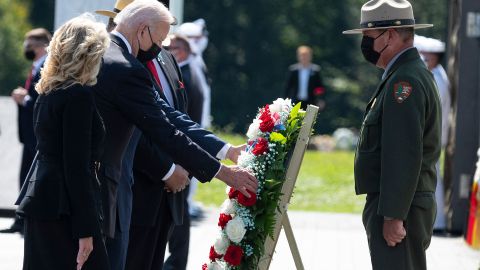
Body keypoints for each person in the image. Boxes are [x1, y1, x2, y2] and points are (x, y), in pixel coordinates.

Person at [91, 1, 257, 269]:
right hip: (121, 183)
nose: (161, 47)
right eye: (158, 39)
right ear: (143, 30)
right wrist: (224, 173)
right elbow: (161, 129)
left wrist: (225, 151)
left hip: (131, 190)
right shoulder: (123, 65)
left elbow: (171, 115)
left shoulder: (143, 58)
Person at [343, 0, 440, 269]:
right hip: (399, 203)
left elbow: (403, 152)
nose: (365, 44)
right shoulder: (404, 73)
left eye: (368, 37)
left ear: (390, 35)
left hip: (399, 207)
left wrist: (393, 215)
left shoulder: (403, 81)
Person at [15, 15, 110, 270]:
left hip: (42, 201)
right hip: (64, 210)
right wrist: (86, 229)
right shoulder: (78, 95)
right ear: (87, 54)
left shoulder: (48, 90)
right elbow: (76, 168)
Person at [1, 28, 51, 235]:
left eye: (29, 45)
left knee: (33, 180)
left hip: (37, 134)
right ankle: (21, 220)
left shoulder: (47, 67)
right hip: (28, 134)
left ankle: (26, 221)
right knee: (25, 178)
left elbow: (44, 100)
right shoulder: (35, 66)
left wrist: (26, 99)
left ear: (40, 46)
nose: (26, 49)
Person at [160, 34, 204, 270]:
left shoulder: (185, 75)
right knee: (179, 212)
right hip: (184, 153)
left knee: (178, 214)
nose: (165, 50)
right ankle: (176, 261)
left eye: (170, 47)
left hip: (181, 154)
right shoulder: (185, 73)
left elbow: (184, 119)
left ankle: (176, 262)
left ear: (183, 52)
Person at [415, 35, 451, 234]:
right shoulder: (437, 75)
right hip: (433, 136)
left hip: (432, 137)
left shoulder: (436, 78)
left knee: (432, 178)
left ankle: (436, 223)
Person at [285, 45, 326, 110]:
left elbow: (319, 88)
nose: (304, 58)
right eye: (302, 55)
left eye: (306, 55)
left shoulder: (315, 70)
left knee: (309, 120)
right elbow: (288, 87)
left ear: (310, 56)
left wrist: (320, 99)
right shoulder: (293, 70)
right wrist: (285, 102)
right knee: (296, 120)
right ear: (298, 56)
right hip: (296, 103)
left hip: (312, 102)